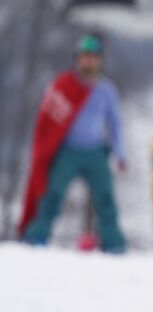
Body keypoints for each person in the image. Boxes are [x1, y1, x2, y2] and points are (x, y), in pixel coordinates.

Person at [20, 34, 127, 253]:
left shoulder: (106, 90)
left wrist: (120, 153)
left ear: (99, 60)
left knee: (106, 199)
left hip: (94, 151)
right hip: (67, 151)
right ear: (77, 59)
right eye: (85, 56)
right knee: (52, 195)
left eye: (93, 56)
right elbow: (48, 123)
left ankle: (113, 243)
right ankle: (37, 236)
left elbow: (115, 123)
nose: (89, 61)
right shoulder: (63, 85)